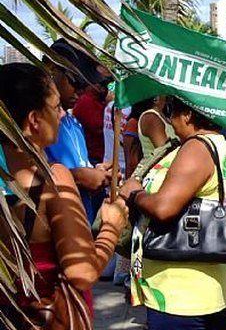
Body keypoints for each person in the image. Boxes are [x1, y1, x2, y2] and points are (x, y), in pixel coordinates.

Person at [0, 63, 128, 327]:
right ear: (34, 120)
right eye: (56, 107)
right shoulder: (53, 179)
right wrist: (111, 228)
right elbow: (82, 272)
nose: (62, 115)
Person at [119, 96, 226, 329]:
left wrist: (135, 193)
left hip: (180, 292)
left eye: (171, 111)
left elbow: (164, 208)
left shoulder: (197, 147)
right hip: (214, 286)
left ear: (188, 114)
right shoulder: (224, 147)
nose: (170, 120)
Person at [44, 39, 113, 224]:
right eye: (76, 83)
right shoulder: (35, 125)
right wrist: (78, 177)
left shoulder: (73, 123)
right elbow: (26, 177)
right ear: (52, 69)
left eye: (85, 85)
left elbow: (79, 164)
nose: (81, 91)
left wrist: (96, 171)